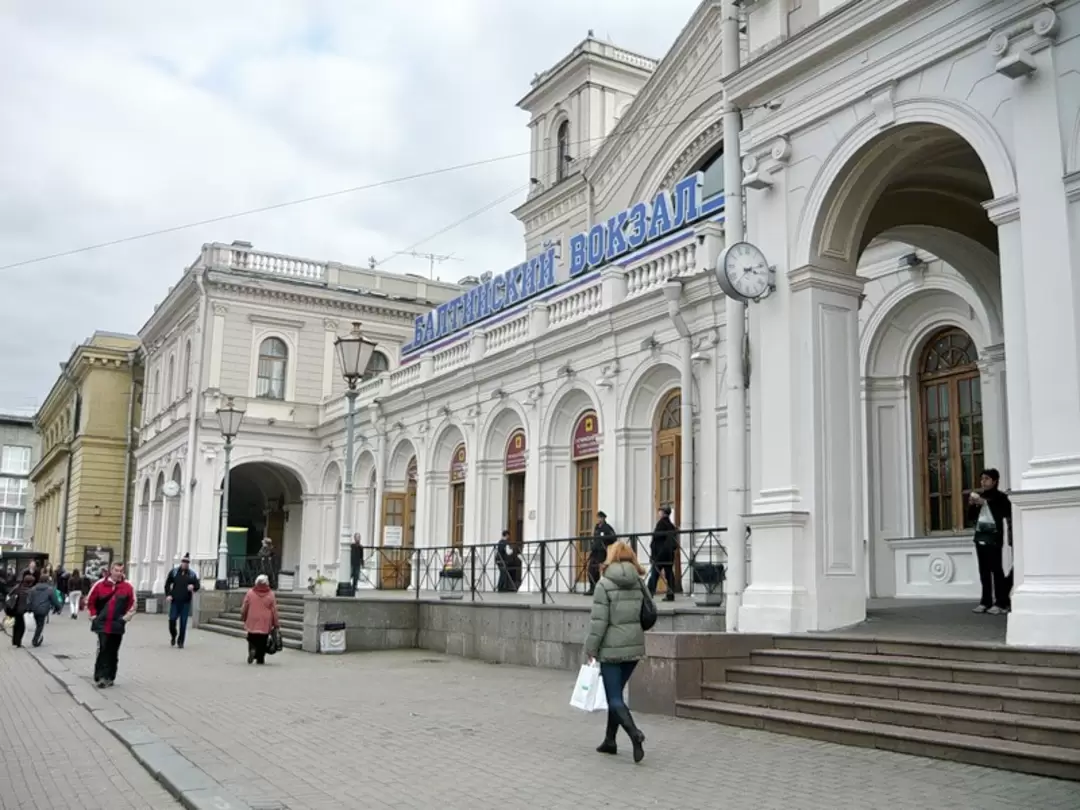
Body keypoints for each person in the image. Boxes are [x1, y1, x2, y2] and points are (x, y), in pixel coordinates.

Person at [584, 540, 650, 764]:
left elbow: (599, 622)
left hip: (611, 650)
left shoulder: (604, 584)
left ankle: (635, 734)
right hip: (634, 647)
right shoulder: (639, 582)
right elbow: (649, 612)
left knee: (613, 698)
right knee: (616, 696)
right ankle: (610, 741)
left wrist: (591, 648)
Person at [968, 468, 1013, 615]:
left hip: (994, 538)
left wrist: (985, 504)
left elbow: (1002, 513)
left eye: (987, 479)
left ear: (995, 481)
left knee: (996, 570)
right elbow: (971, 518)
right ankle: (985, 601)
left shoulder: (1000, 497)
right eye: (982, 479)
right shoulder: (980, 496)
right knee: (983, 571)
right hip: (981, 536)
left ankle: (1001, 602)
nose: (983, 482)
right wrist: (972, 505)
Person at [87, 562, 136, 688]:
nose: (118, 573)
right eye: (116, 570)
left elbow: (133, 604)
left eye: (121, 570)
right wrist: (93, 616)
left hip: (117, 624)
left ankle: (110, 676)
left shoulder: (128, 587)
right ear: (111, 570)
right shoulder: (100, 585)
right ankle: (101, 676)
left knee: (113, 651)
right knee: (103, 648)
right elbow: (90, 601)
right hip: (102, 623)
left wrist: (125, 618)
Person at [240, 574, 279, 665]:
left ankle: (252, 650)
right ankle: (260, 657)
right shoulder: (270, 594)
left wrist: (243, 616)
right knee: (263, 640)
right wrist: (276, 623)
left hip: (252, 619)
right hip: (265, 621)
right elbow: (274, 610)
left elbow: (245, 607)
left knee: (251, 637)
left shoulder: (250, 593)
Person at [164, 553, 200, 648]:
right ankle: (173, 635)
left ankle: (181, 642)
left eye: (187, 562)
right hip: (175, 601)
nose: (185, 563)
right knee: (172, 620)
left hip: (185, 602)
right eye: (184, 561)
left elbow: (197, 585)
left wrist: (193, 587)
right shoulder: (174, 572)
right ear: (181, 562)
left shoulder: (192, 574)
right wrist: (168, 595)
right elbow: (167, 584)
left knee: (183, 623)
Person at [647, 506, 679, 601]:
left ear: (663, 513)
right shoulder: (671, 525)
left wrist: (653, 554)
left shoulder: (661, 524)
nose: (658, 513)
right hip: (669, 554)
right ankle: (670, 594)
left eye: (660, 511)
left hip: (659, 554)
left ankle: (649, 593)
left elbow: (655, 539)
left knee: (654, 574)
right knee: (669, 573)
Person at [586, 511, 617, 596]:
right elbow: (594, 538)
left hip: (602, 552)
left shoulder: (607, 527)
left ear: (603, 518)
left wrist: (606, 542)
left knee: (601, 570)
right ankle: (592, 587)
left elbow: (614, 538)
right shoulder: (597, 527)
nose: (599, 519)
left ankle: (601, 588)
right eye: (598, 518)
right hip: (595, 551)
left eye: (600, 518)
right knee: (591, 569)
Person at [28, 574, 60, 647]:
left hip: (35, 609)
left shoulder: (33, 589)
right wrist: (58, 608)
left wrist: (29, 609)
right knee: (40, 625)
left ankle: (38, 637)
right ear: (47, 580)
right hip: (43, 610)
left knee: (38, 624)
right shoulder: (50, 589)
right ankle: (35, 640)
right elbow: (54, 600)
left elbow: (29, 600)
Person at [4, 571, 34, 647]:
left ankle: (15, 641)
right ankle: (18, 642)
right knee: (22, 627)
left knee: (16, 626)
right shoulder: (30, 591)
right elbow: (31, 602)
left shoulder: (18, 587)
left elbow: (9, 594)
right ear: (30, 582)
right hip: (23, 611)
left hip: (14, 609)